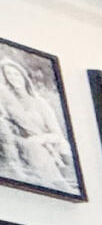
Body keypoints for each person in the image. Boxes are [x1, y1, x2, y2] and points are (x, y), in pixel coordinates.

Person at [0, 56, 76, 193]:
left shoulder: (40, 102)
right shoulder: (6, 101)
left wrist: (40, 139)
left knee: (41, 147)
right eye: (8, 75)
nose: (12, 77)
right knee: (31, 146)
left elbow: (57, 134)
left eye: (15, 74)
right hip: (21, 141)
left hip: (48, 143)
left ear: (23, 76)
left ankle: (60, 185)